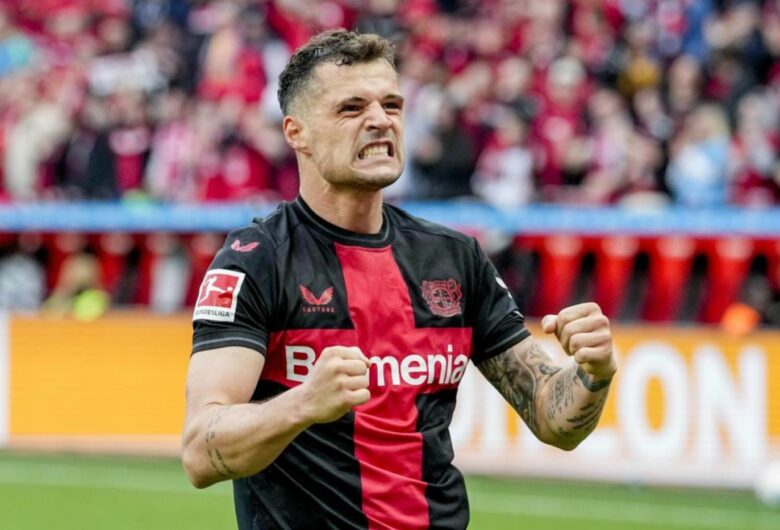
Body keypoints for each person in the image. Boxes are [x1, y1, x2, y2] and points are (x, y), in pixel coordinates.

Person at [181, 29, 617, 530]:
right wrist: (303, 403)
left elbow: (551, 418)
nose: (379, 120)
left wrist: (594, 372)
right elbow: (199, 451)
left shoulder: (454, 257)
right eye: (351, 108)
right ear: (296, 133)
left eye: (391, 105)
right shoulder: (256, 261)